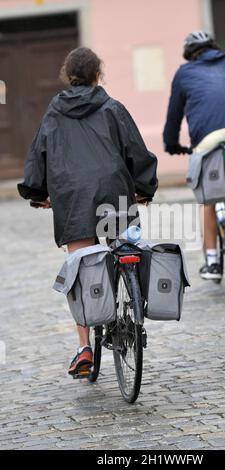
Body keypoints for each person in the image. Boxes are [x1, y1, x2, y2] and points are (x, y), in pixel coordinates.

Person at [17, 47, 158, 376]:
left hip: (72, 196)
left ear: (68, 75)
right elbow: (135, 150)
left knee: (80, 270)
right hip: (114, 192)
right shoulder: (112, 107)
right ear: (99, 75)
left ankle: (84, 350)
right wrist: (145, 187)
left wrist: (39, 193)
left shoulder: (55, 111)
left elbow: (40, 152)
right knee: (124, 247)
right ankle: (129, 299)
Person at [163, 31, 225, 280]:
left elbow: (174, 114)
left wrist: (171, 143)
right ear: (213, 46)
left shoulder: (184, 73)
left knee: (208, 197)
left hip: (207, 136)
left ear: (190, 53)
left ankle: (213, 263)